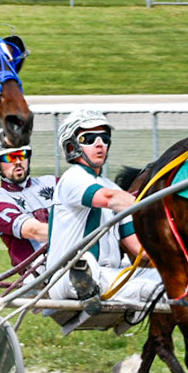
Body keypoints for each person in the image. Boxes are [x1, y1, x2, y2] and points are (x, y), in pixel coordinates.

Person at [47, 109, 166, 311]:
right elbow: (109, 199)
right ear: (70, 146)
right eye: (89, 138)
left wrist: (179, 260)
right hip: (68, 275)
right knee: (156, 288)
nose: (100, 143)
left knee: (183, 282)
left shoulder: (114, 189)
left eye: (104, 137)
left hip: (109, 274)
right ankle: (84, 281)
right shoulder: (73, 178)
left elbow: (138, 249)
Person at [0, 134, 56, 269]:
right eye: (9, 157)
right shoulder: (0, 207)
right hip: (40, 276)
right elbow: (34, 231)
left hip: (74, 260)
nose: (17, 161)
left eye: (22, 154)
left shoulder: (53, 183)